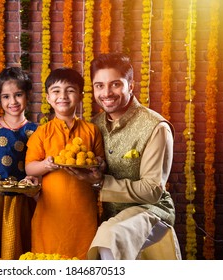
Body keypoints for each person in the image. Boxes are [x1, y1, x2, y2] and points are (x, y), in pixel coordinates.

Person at [72, 52, 181, 260]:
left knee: (109, 237)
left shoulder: (155, 127)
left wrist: (101, 182)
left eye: (115, 84)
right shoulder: (94, 126)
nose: (106, 93)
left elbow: (152, 190)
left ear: (130, 85)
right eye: (99, 86)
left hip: (151, 212)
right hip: (111, 214)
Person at [24, 68, 105, 259]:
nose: (63, 96)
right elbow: (29, 167)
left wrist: (97, 166)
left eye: (70, 90)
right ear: (48, 98)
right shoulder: (42, 132)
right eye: (56, 91)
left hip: (83, 212)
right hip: (50, 213)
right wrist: (46, 165)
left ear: (80, 96)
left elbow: (101, 163)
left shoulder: (91, 130)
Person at [0, 67, 38, 260]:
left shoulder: (36, 131)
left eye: (18, 95)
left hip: (20, 202)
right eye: (6, 96)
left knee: (17, 251)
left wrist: (33, 180)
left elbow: (37, 168)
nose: (12, 102)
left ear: (28, 95)